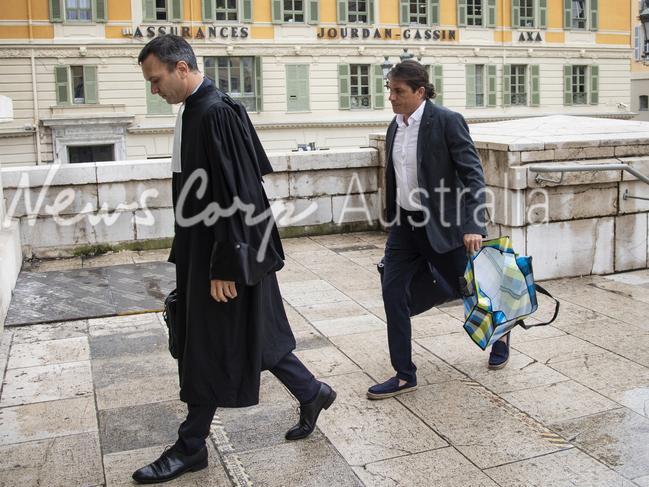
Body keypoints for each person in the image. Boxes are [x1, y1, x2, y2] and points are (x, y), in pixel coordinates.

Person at [134, 35, 336, 484]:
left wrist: (225, 266)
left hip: (225, 255)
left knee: (205, 348)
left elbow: (242, 194)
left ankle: (190, 448)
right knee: (255, 333)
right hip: (216, 248)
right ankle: (312, 392)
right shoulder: (198, 109)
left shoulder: (214, 112)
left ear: (181, 68)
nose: (154, 90)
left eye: (156, 79)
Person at [367, 60, 507, 401]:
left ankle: (501, 334)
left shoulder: (446, 121)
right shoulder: (395, 126)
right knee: (392, 293)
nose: (391, 97)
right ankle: (404, 375)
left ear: (419, 91)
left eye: (398, 91)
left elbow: (473, 174)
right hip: (405, 225)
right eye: (390, 90)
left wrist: (474, 224)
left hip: (444, 226)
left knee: (471, 288)